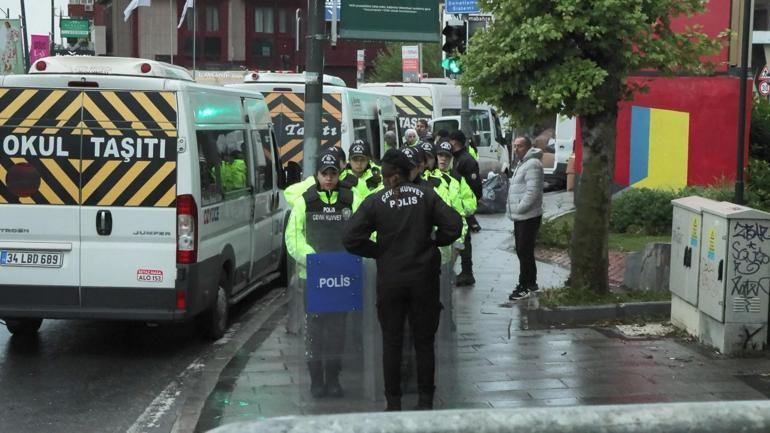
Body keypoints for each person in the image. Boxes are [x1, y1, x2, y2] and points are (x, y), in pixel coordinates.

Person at [343, 149, 462, 411]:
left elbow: (350, 238)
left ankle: (393, 403)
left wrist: (378, 252)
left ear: (388, 175)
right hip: (424, 280)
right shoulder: (427, 196)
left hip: (391, 281)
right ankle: (425, 400)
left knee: (392, 342)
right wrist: (433, 241)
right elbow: (454, 225)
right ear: (408, 172)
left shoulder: (376, 201)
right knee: (423, 342)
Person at [285, 150, 359, 398]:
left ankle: (333, 378)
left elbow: (363, 229)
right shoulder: (305, 201)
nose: (328, 178)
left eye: (333, 173)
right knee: (315, 332)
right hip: (313, 278)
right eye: (324, 174)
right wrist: (314, 260)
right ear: (316, 175)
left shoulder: (351, 198)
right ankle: (316, 380)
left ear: (339, 174)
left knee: (338, 331)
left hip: (342, 276)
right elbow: (293, 238)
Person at [507, 136, 544, 301]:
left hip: (528, 216)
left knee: (524, 250)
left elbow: (532, 192)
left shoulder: (533, 164)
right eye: (514, 146)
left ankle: (524, 285)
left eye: (519, 146)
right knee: (524, 251)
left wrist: (520, 208)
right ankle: (530, 283)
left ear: (528, 147)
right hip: (521, 216)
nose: (516, 149)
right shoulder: (523, 163)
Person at [448, 130, 482, 286]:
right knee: (459, 239)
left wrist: (468, 207)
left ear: (455, 142)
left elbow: (474, 187)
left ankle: (467, 271)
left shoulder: (466, 160)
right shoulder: (455, 158)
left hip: (463, 206)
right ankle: (462, 270)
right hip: (456, 205)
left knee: (464, 239)